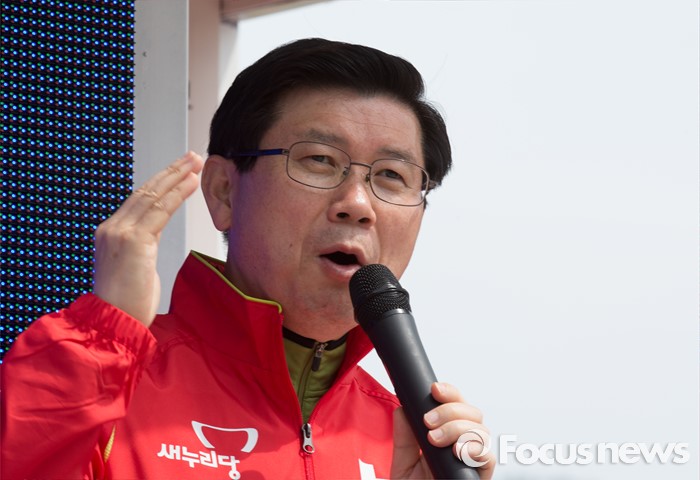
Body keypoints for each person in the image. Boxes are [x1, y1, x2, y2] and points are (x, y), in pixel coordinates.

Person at [1, 38, 495, 479]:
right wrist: (99, 338)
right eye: (320, 160)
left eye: (391, 176)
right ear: (223, 192)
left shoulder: (411, 443)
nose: (358, 204)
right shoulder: (97, 389)